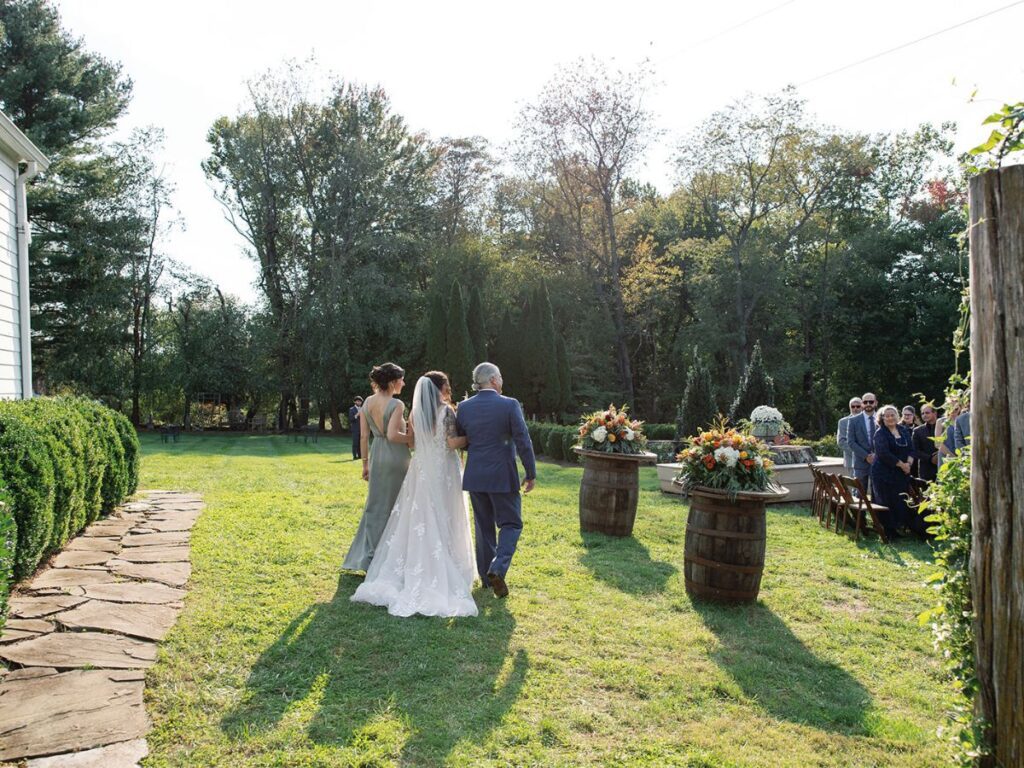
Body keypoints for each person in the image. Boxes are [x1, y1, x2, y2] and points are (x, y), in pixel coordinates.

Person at [351, 372, 478, 617]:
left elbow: (411, 443)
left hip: (420, 470)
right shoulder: (446, 411)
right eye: (447, 385)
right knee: (446, 513)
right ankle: (447, 564)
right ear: (440, 388)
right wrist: (470, 437)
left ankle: (411, 566)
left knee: (418, 517)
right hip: (443, 470)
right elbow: (452, 443)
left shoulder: (415, 412)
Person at [456, 362, 537, 599]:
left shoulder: (464, 407)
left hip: (476, 475)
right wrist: (530, 473)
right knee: (511, 524)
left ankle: (486, 578)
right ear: (493, 380)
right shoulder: (509, 404)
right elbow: (523, 440)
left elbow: (465, 439)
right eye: (500, 376)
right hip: (502, 475)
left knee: (484, 528)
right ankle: (497, 569)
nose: (502, 380)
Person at [341, 363, 412, 572]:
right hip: (396, 457)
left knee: (375, 506)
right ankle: (391, 557)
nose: (404, 383)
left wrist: (365, 464)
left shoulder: (367, 403)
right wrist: (412, 436)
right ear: (392, 382)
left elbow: (364, 436)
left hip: (377, 456)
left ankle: (369, 557)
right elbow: (393, 435)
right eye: (401, 379)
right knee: (396, 506)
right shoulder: (397, 405)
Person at [870, 404, 926, 538]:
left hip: (901, 473)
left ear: (897, 416)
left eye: (892, 415)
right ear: (882, 418)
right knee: (886, 500)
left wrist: (909, 463)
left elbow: (911, 449)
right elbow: (884, 453)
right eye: (886, 416)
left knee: (900, 500)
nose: (890, 418)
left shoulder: (904, 430)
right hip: (883, 473)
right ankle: (888, 531)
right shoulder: (880, 433)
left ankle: (901, 526)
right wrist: (902, 465)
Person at [845, 391, 878, 495]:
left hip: (879, 462)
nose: (868, 404)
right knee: (859, 494)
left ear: (875, 403)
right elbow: (850, 442)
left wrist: (875, 455)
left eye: (871, 401)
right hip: (860, 462)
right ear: (862, 403)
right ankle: (860, 512)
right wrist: (866, 456)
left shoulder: (882, 419)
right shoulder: (853, 420)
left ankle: (876, 512)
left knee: (878, 494)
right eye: (865, 401)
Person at [912, 404, 940, 483]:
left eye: (927, 413)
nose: (924, 415)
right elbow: (914, 450)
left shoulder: (945, 427)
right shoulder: (917, 431)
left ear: (935, 413)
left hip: (943, 467)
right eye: (922, 413)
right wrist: (930, 459)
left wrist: (939, 454)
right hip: (926, 471)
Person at [836, 397, 863, 474]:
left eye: (858, 406)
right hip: (851, 461)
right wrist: (861, 453)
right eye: (853, 406)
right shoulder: (843, 422)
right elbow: (841, 441)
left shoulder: (869, 420)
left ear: (862, 407)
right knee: (855, 485)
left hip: (869, 462)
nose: (855, 409)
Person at [348, 396, 363, 460]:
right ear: (355, 401)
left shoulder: (363, 409)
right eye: (357, 401)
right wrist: (357, 415)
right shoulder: (351, 409)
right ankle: (354, 456)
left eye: (360, 401)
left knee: (360, 443)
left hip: (362, 429)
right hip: (355, 429)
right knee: (355, 443)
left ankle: (360, 455)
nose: (359, 402)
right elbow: (351, 419)